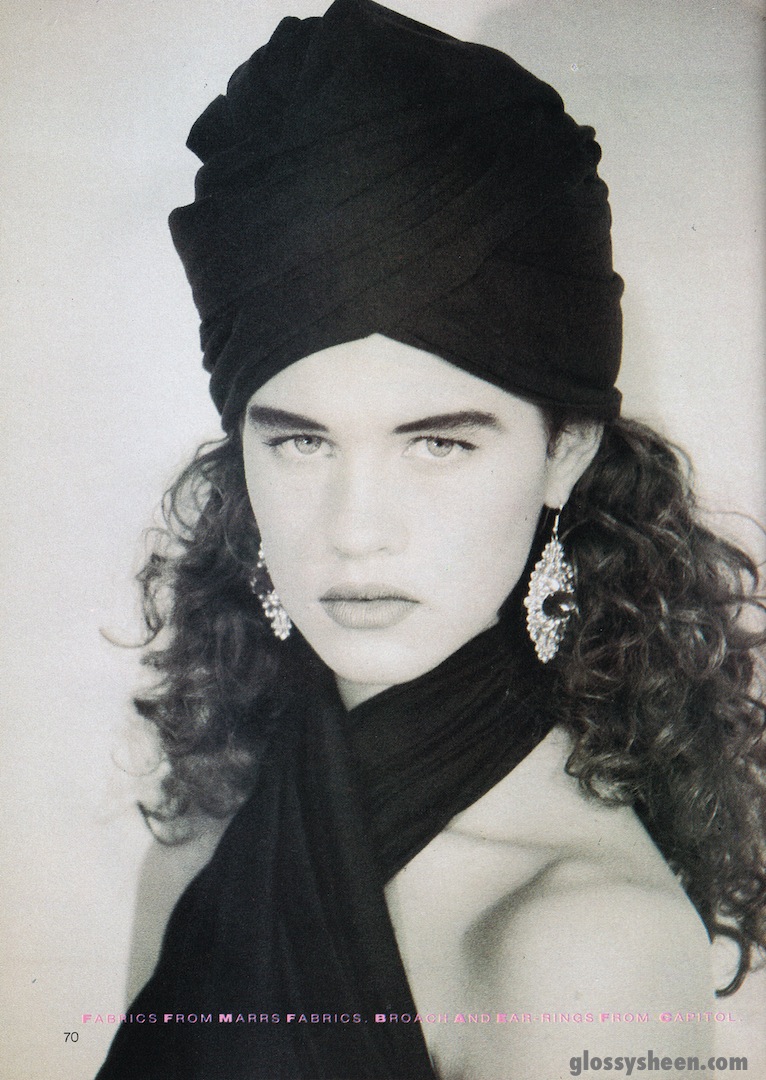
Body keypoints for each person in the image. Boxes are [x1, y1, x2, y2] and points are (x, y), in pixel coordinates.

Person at [96, 1, 766, 1077]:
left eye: (439, 444)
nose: (356, 530)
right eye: (301, 442)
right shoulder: (203, 843)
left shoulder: (587, 940)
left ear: (564, 452)